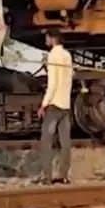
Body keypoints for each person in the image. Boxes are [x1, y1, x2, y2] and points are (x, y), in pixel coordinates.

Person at [37, 29, 73, 185]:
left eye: (47, 37)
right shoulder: (67, 55)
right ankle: (64, 176)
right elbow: (69, 79)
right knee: (65, 142)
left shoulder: (53, 55)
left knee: (46, 141)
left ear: (52, 39)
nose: (45, 39)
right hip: (66, 104)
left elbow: (52, 84)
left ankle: (47, 176)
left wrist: (43, 105)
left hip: (54, 105)